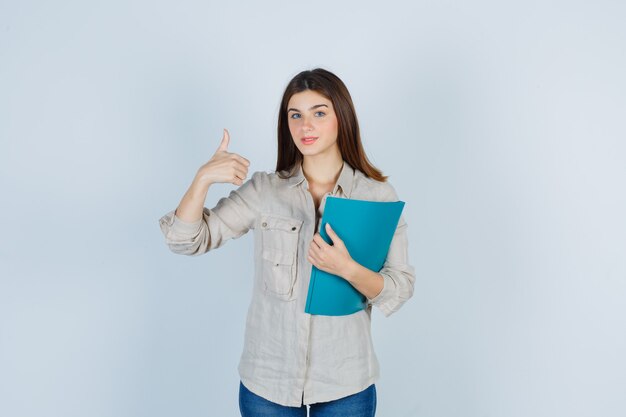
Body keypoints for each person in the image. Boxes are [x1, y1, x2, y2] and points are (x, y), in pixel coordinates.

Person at [158, 68, 415, 417]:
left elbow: (399, 288)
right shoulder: (265, 191)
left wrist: (348, 269)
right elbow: (185, 240)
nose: (305, 126)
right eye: (295, 115)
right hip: (268, 381)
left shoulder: (377, 196)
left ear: (342, 117)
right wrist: (202, 179)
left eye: (319, 113)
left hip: (346, 382)